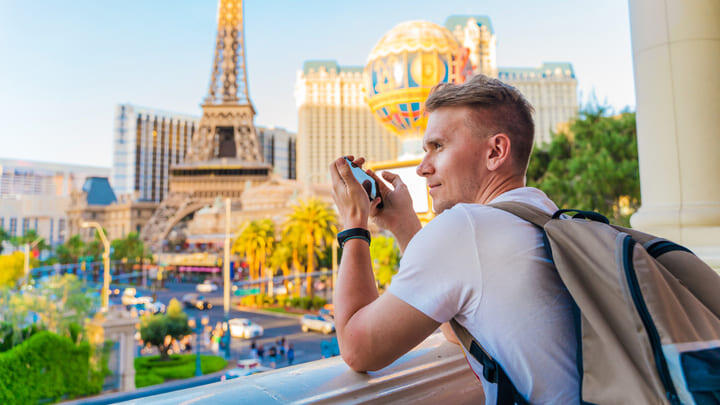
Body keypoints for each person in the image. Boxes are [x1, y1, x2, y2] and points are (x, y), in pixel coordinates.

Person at [328, 74, 579, 403]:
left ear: (496, 151)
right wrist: (404, 225)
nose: (422, 168)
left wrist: (354, 223)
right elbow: (457, 328)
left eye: (437, 147)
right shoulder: (545, 214)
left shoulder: (466, 227)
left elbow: (358, 348)